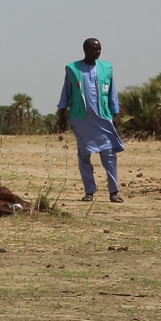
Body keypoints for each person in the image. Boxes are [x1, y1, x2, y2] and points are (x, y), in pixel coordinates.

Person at [56, 37, 124, 202]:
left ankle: (113, 192)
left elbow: (112, 92)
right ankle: (89, 192)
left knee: (109, 154)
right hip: (82, 119)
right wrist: (62, 113)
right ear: (85, 50)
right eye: (94, 49)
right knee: (84, 156)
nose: (97, 52)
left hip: (103, 118)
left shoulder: (106, 68)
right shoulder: (73, 69)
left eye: (99, 49)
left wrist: (116, 113)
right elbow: (67, 91)